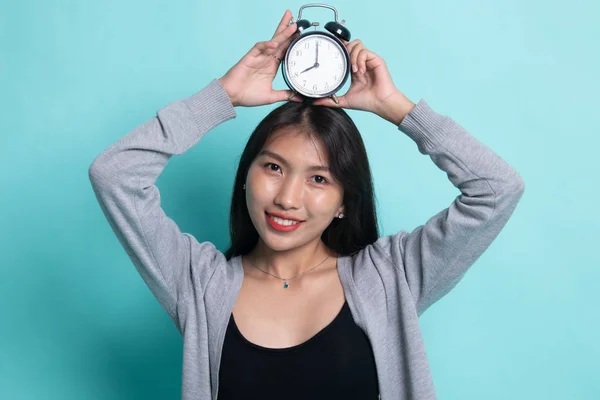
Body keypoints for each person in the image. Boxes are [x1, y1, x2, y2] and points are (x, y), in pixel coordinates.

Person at [88, 9, 525, 400]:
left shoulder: (392, 277)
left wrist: (395, 107)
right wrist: (222, 95)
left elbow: (496, 188)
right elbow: (114, 175)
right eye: (274, 168)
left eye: (318, 178)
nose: (287, 198)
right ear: (245, 177)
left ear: (342, 202)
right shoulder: (199, 285)